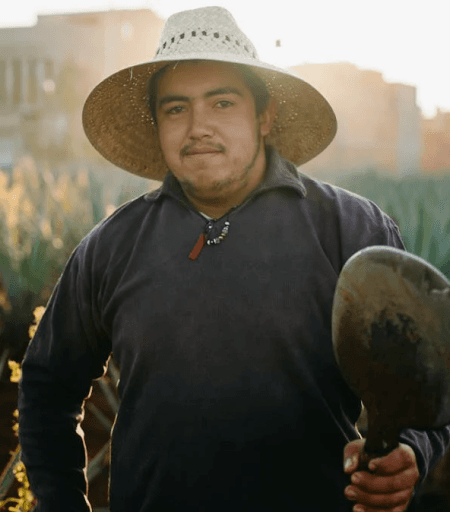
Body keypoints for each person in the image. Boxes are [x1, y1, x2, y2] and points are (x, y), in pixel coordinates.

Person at [18, 6, 450, 512]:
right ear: (158, 123)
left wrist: (412, 454)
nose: (197, 126)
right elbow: (47, 385)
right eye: (176, 109)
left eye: (222, 103)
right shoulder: (111, 247)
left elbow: (430, 376)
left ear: (264, 116)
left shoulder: (350, 229)